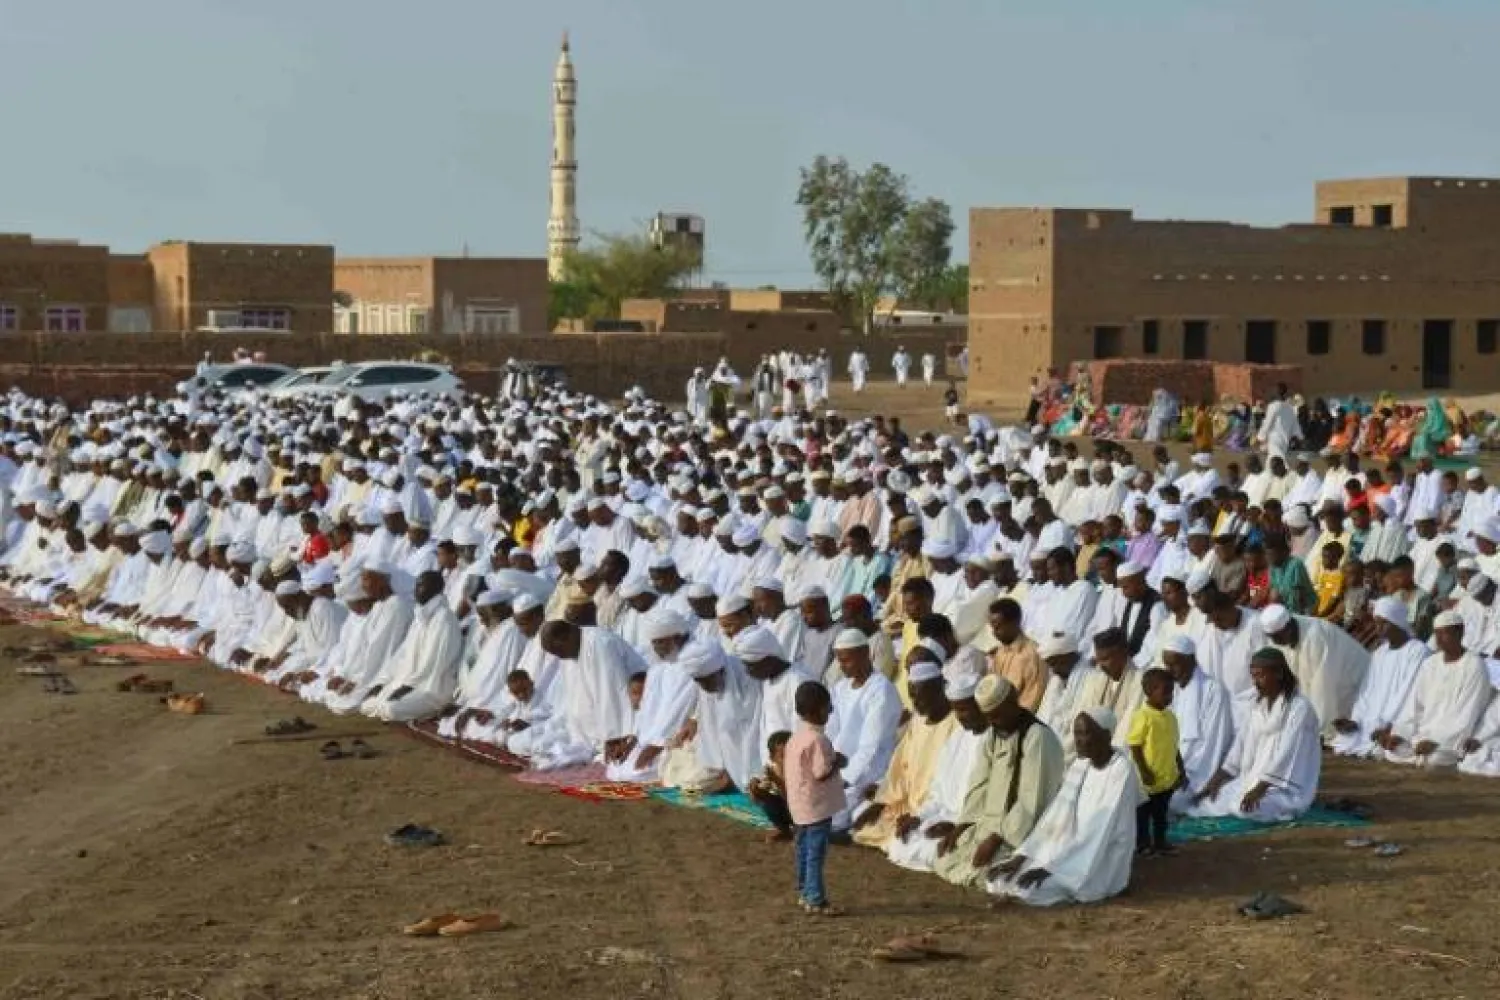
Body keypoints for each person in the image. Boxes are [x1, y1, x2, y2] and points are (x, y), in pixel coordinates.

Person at [988, 707, 1142, 906]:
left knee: (1028, 889)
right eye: (1076, 733)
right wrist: (1023, 857)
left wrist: (1054, 868)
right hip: (1068, 849)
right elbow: (1056, 815)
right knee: (999, 879)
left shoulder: (1121, 770)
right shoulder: (1081, 764)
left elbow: (1100, 830)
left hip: (1100, 855)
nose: (1078, 740)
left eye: (1085, 733)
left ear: (1106, 736)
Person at [931, 675, 1066, 891]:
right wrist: (960, 827)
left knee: (989, 877)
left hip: (1020, 833)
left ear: (1013, 701)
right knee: (943, 858)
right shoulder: (994, 735)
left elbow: (1031, 802)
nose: (993, 722)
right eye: (989, 717)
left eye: (997, 715)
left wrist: (997, 839)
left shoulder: (1037, 737)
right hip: (987, 826)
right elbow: (979, 785)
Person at [1187, 648, 1321, 823]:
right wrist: (1216, 781)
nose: (1256, 682)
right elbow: (1240, 746)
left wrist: (1260, 789)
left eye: (1261, 676)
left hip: (1283, 788)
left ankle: (1285, 810)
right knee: (1205, 802)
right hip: (1251, 780)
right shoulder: (1257, 706)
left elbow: (1287, 754)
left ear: (1279, 673)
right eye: (1253, 676)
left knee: (1242, 808)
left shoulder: (1300, 708)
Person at [1382, 611, 1491, 768]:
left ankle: (1426, 754)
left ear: (1460, 632)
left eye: (1444, 633)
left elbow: (1467, 713)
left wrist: (1437, 741)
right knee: (1392, 751)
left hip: (1450, 740)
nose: (1438, 639)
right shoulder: (1430, 664)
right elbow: (1414, 706)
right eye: (1436, 633)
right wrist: (1401, 733)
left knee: (1436, 757)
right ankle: (1419, 753)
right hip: (1422, 735)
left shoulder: (1474, 665)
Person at [1331, 598, 1428, 758]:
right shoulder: (1379, 653)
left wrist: (1386, 722)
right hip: (1371, 718)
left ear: (1397, 622)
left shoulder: (1417, 651)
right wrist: (1356, 719)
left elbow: (1408, 692)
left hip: (1398, 717)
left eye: (1384, 623)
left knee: (1389, 743)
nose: (1379, 628)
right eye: (1376, 623)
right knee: (1345, 740)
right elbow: (1367, 690)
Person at [784, 680, 845, 916]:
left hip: (799, 806)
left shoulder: (796, 738)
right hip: (817, 807)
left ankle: (805, 891)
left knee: (803, 850)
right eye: (828, 708)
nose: (829, 713)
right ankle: (815, 898)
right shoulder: (818, 740)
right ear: (818, 710)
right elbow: (821, 772)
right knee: (815, 854)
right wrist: (838, 762)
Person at [1128, 669, 1183, 856]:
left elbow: (1174, 745)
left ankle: (1160, 842)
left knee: (1161, 813)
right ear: (1149, 691)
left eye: (1171, 691)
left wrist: (1180, 769)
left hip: (1166, 777)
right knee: (1143, 814)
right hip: (1148, 780)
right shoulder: (1143, 716)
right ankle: (1142, 844)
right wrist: (1144, 771)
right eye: (1165, 691)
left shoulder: (1171, 717)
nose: (1170, 696)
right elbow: (1135, 745)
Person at [747, 730, 794, 840]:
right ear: (772, 758)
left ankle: (802, 831)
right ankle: (783, 829)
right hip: (787, 811)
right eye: (783, 756)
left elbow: (793, 798)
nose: (789, 759)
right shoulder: (773, 771)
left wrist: (777, 781)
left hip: (803, 814)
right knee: (765, 798)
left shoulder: (799, 773)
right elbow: (756, 798)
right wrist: (754, 789)